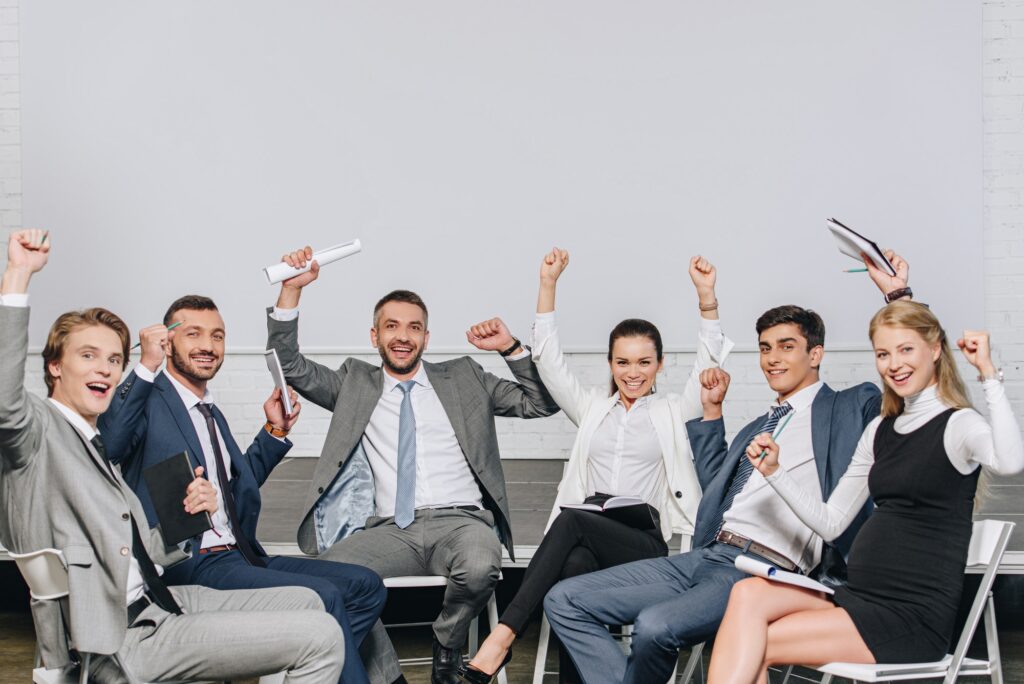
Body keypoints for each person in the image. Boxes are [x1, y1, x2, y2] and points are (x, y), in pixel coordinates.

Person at [543, 253, 914, 684]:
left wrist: (898, 296)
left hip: (763, 570)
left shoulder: (852, 406)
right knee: (564, 599)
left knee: (655, 627)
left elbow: (909, 380)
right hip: (708, 555)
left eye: (787, 347)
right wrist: (713, 413)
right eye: (765, 348)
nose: (772, 359)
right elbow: (716, 480)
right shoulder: (760, 425)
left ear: (816, 354)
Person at [0, 230, 345, 683]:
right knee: (321, 634)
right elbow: (6, 403)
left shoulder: (94, 444)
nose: (105, 367)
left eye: (113, 359)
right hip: (122, 639)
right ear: (55, 366)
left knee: (312, 602)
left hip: (159, 600)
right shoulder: (39, 433)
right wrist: (19, 274)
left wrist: (189, 518)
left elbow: (138, 546)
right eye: (88, 355)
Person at [266, 246, 562, 684]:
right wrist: (291, 290)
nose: (403, 336)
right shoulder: (354, 383)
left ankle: (447, 644)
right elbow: (288, 364)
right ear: (375, 337)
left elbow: (542, 403)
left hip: (461, 522)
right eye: (392, 327)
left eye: (414, 328)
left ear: (426, 337)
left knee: (482, 565)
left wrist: (511, 347)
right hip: (389, 530)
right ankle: (390, 678)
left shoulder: (464, 377)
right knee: (329, 582)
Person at [706, 302, 1024, 683]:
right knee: (747, 596)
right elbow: (831, 522)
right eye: (883, 354)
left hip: (910, 617)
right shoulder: (880, 431)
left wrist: (989, 375)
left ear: (935, 349)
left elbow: (1009, 462)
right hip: (857, 598)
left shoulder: (958, 425)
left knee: (755, 642)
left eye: (906, 349)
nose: (894, 364)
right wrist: (775, 473)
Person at [459, 249, 733, 683]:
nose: (633, 372)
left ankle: (503, 637)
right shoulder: (591, 410)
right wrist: (547, 284)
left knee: (571, 523)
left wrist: (707, 299)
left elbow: (709, 365)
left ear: (659, 364)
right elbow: (548, 361)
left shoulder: (672, 412)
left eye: (644, 362)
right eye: (623, 362)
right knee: (572, 571)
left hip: (643, 545)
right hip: (591, 534)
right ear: (610, 364)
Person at [99, 294, 387, 684]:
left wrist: (275, 431)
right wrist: (146, 367)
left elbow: (235, 488)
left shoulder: (208, 410)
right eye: (194, 334)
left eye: (217, 336)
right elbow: (111, 442)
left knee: (365, 586)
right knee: (327, 597)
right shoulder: (152, 399)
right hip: (192, 563)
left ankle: (302, 665)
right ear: (167, 342)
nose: (208, 345)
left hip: (241, 553)